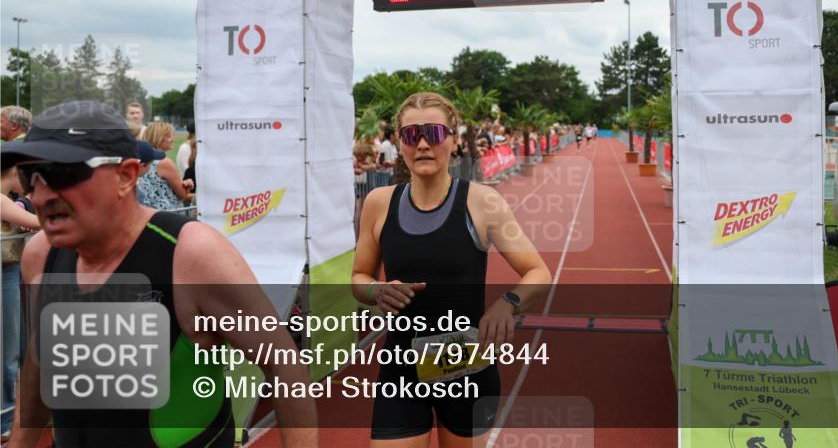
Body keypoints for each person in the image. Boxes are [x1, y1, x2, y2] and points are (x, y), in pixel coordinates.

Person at [2, 101, 317, 447]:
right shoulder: (41, 255)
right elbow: (39, 362)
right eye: (30, 177)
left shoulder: (191, 254)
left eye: (63, 174)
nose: (43, 195)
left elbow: (284, 366)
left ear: (126, 175)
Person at [352, 92, 551, 446]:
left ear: (454, 140)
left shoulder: (483, 202)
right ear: (399, 143)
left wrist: (507, 304)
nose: (424, 143)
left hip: (465, 368)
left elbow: (537, 271)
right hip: (401, 367)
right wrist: (376, 291)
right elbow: (359, 278)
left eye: (434, 133)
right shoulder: (378, 203)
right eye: (412, 135)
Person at [1, 168, 39, 444]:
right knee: (9, 353)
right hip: (5, 276)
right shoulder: (2, 199)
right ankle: (6, 420)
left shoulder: (9, 199)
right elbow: (40, 222)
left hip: (9, 273)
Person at [139, 122, 192, 210]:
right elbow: (182, 195)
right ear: (158, 138)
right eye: (168, 136)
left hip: (147, 213)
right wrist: (188, 186)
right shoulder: (164, 162)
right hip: (169, 215)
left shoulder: (141, 157)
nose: (172, 139)